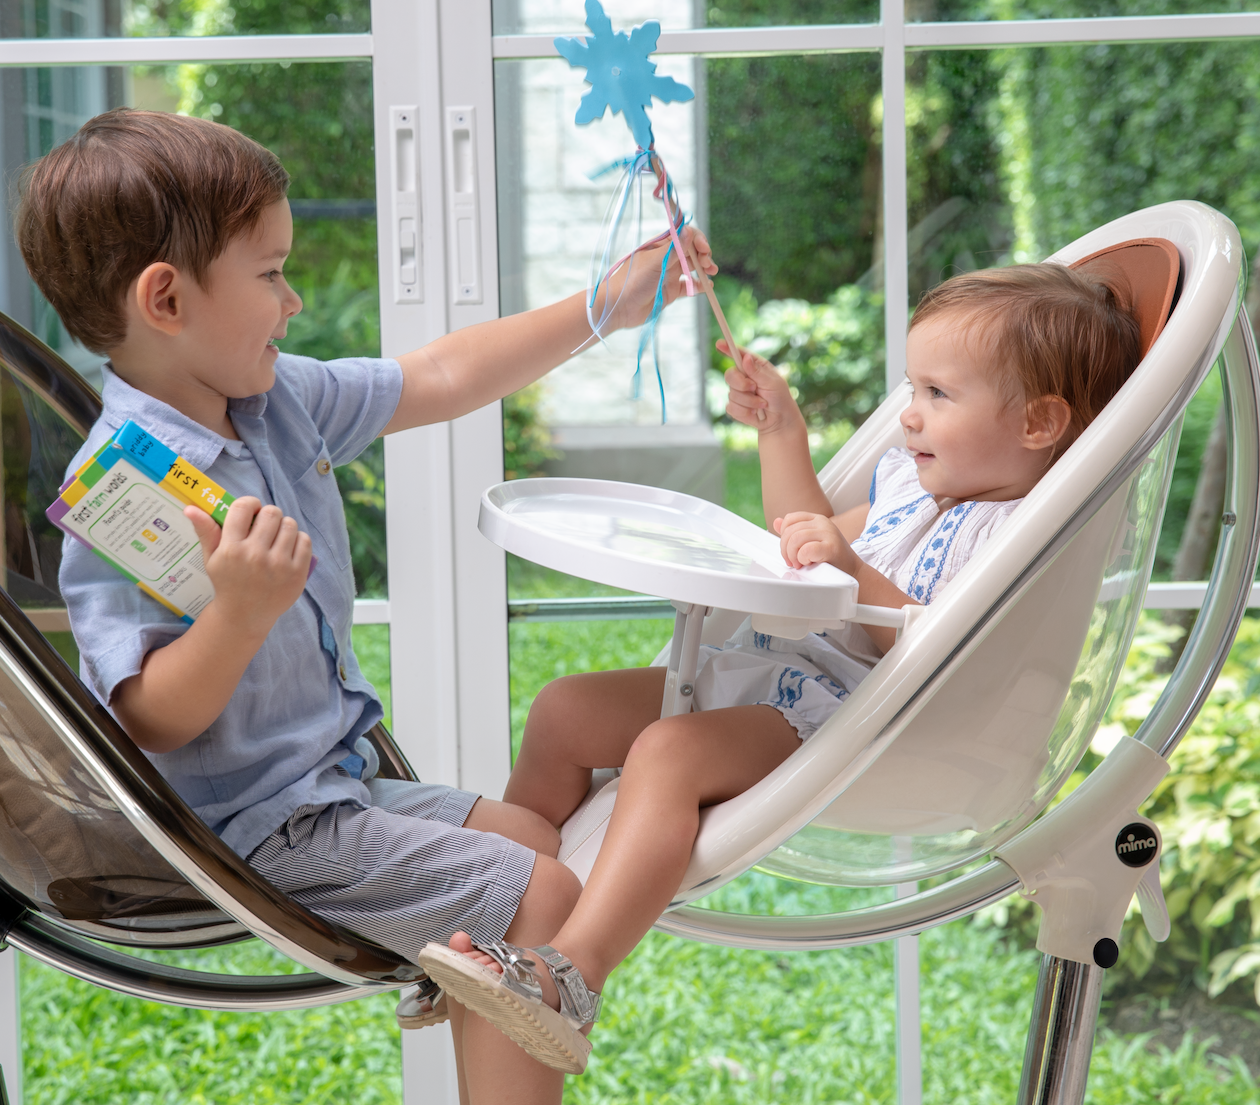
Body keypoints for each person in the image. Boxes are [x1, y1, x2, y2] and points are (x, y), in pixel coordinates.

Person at [19, 108, 716, 1105]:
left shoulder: (270, 397)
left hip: (332, 789)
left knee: (534, 836)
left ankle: (458, 969)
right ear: (166, 298)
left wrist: (606, 304)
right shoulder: (130, 490)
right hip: (250, 829)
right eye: (268, 274)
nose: (292, 298)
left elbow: (441, 374)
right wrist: (237, 615)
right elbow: (143, 716)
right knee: (542, 894)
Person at [420, 262, 1143, 1075]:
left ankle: (572, 973)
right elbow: (807, 538)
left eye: (939, 395)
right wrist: (781, 434)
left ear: (1041, 423)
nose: (909, 417)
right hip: (769, 669)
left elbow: (938, 652)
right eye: (914, 388)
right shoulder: (913, 482)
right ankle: (507, 915)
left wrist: (851, 568)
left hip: (844, 717)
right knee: (564, 709)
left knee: (667, 751)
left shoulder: (1017, 532)